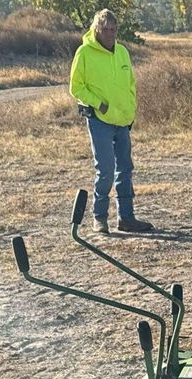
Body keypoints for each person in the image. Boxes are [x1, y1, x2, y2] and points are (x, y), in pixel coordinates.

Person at [70, 9, 153, 234]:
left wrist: (130, 110)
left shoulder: (123, 52)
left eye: (113, 30)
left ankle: (126, 218)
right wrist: (99, 103)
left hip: (123, 120)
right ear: (97, 29)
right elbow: (76, 87)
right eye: (105, 29)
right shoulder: (84, 53)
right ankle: (99, 217)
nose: (110, 34)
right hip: (100, 120)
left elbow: (131, 84)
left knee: (125, 169)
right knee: (105, 169)